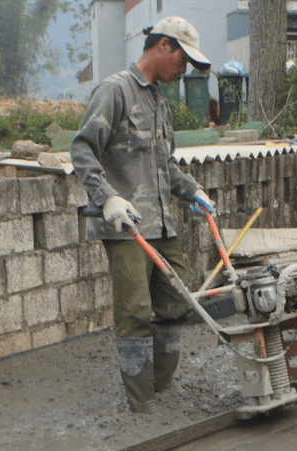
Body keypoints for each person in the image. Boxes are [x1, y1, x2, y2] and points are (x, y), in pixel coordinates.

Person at [71, 16, 215, 414]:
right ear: (164, 45)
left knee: (176, 302)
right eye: (183, 59)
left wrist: (192, 190)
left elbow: (165, 164)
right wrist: (108, 199)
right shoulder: (115, 91)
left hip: (162, 222)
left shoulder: (158, 101)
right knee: (135, 312)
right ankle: (142, 406)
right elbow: (82, 150)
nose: (184, 70)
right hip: (126, 226)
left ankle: (162, 389)